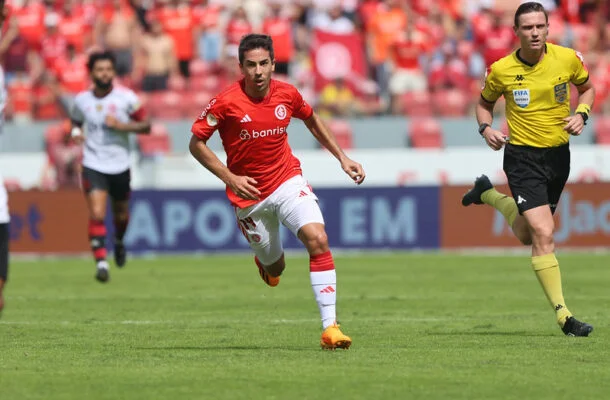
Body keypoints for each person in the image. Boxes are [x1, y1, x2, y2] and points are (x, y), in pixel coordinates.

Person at [189, 34, 365, 350]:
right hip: (249, 196)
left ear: (273, 63)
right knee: (276, 267)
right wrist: (230, 177)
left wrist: (342, 157)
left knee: (318, 238)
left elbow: (311, 119)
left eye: (264, 64)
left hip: (287, 181)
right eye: (251, 65)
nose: (258, 71)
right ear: (241, 66)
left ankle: (330, 328)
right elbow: (196, 143)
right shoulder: (225, 102)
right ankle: (267, 265)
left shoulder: (287, 94)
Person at [462, 2, 595, 336]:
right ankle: (564, 315)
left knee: (526, 233)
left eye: (540, 26)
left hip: (558, 158)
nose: (534, 32)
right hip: (522, 158)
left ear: (548, 28)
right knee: (545, 233)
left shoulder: (567, 59)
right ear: (516, 32)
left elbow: (588, 88)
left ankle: (487, 193)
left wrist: (582, 113)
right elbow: (483, 105)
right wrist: (486, 129)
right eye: (528, 28)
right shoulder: (502, 70)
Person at [71, 51, 151, 283]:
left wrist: (121, 126)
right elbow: (76, 121)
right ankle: (101, 263)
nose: (104, 74)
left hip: (120, 165)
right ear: (91, 73)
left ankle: (118, 241)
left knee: (121, 214)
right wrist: (76, 132)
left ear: (113, 72)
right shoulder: (82, 100)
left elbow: (146, 126)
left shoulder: (126, 98)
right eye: (99, 70)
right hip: (93, 164)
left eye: (108, 69)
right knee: (96, 213)